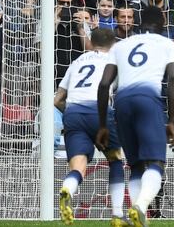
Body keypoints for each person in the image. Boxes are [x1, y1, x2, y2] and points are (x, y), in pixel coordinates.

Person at [96, 6, 174, 227]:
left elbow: (104, 84)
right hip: (148, 99)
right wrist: (171, 120)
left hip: (122, 101)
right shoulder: (169, 45)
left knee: (135, 164)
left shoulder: (120, 45)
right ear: (162, 23)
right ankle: (141, 207)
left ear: (139, 23)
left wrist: (103, 124)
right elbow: (173, 79)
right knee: (155, 162)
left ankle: (138, 222)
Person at [55, 28, 126, 227]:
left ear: (92, 42)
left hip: (73, 113)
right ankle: (118, 215)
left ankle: (68, 188)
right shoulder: (114, 62)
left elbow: (57, 99)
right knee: (115, 160)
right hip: (100, 112)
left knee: (78, 167)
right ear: (113, 45)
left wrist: (71, 111)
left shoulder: (76, 62)